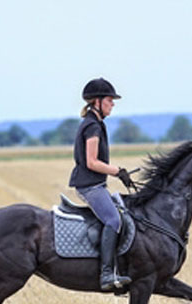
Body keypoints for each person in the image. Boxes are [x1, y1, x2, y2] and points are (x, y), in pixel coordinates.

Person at [68, 78, 136, 291]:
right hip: (89, 185)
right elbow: (91, 162)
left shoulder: (95, 123)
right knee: (113, 219)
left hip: (95, 184)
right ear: (97, 102)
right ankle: (106, 274)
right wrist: (118, 171)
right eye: (109, 100)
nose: (113, 104)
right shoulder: (92, 126)